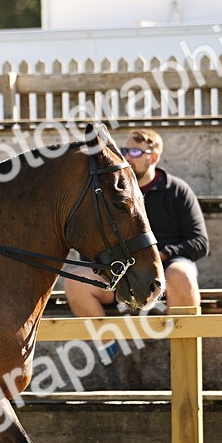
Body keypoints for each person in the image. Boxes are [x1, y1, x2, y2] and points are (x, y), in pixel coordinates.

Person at [64, 128, 209, 326]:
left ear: (154, 157)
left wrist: (161, 254)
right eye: (125, 151)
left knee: (182, 275)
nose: (127, 157)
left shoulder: (177, 190)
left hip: (167, 270)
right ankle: (109, 351)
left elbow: (199, 243)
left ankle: (182, 350)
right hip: (120, 271)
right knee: (75, 283)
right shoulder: (112, 192)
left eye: (135, 152)